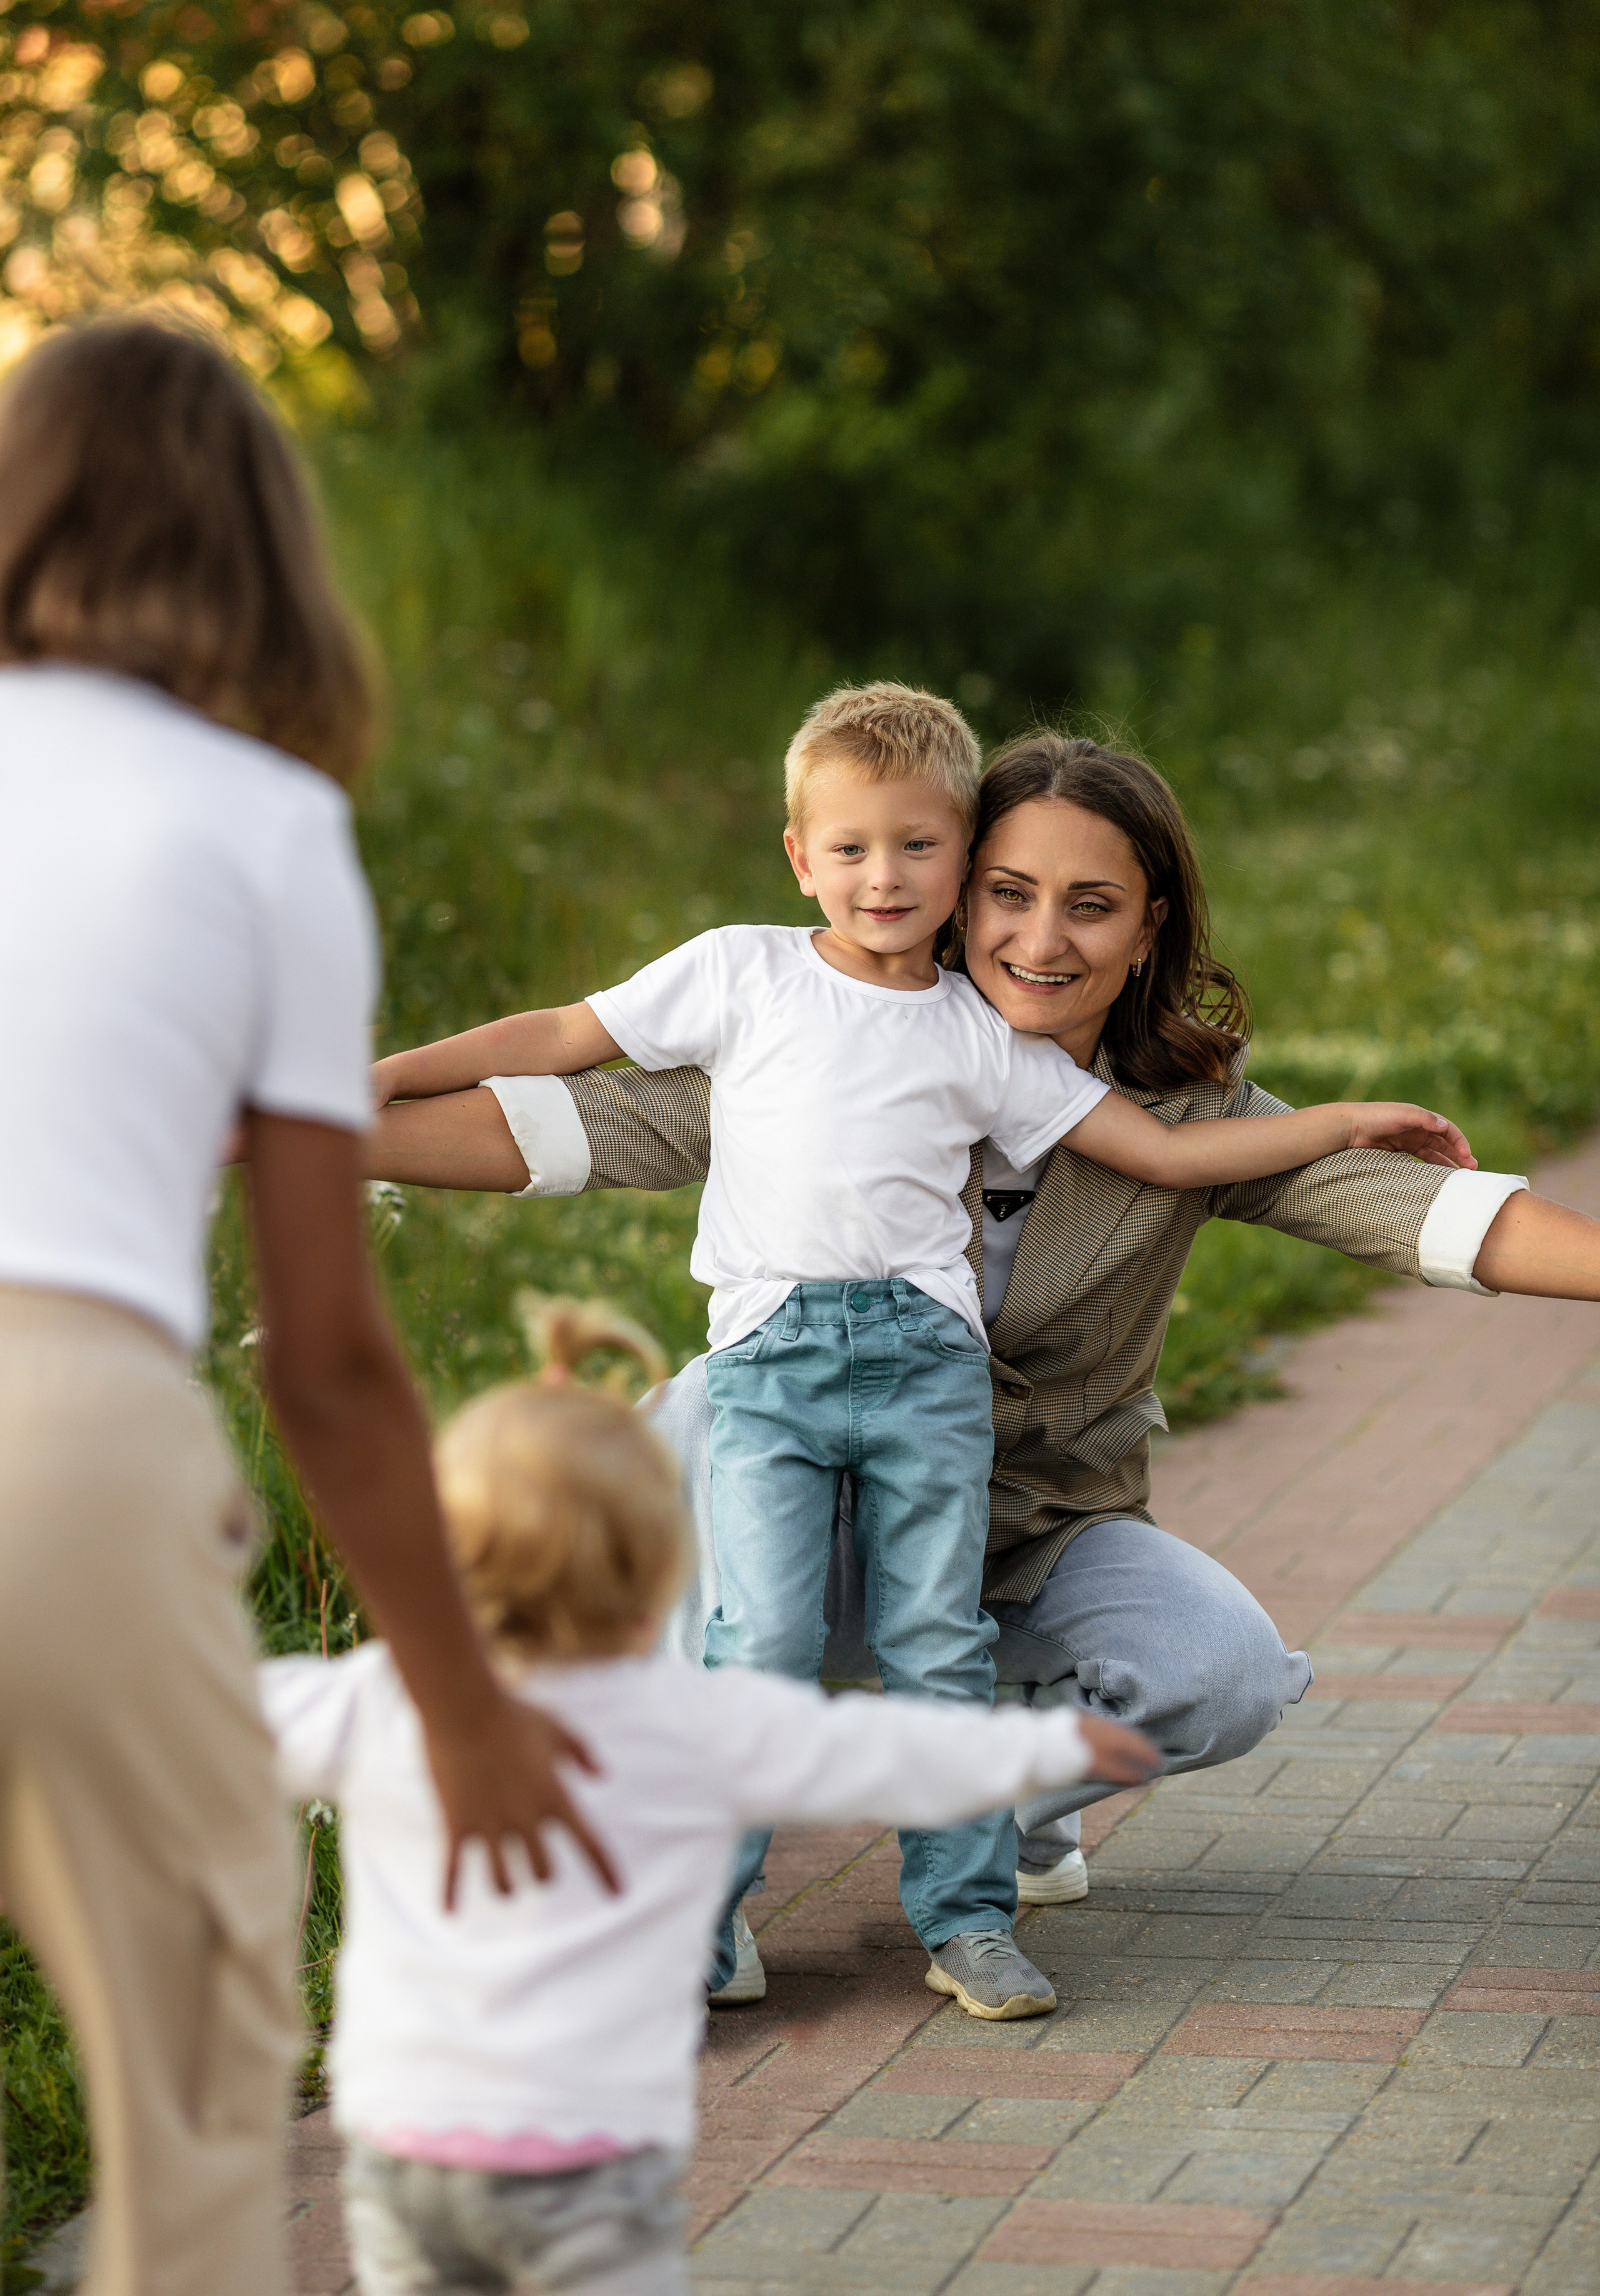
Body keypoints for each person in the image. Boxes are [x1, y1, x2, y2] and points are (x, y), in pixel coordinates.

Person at [363, 722, 1600, 2003]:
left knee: (1222, 1676)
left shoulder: (1188, 1109)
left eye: (1090, 906)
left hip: (1028, 1527)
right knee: (677, 1440)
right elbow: (563, 1122)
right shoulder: (822, 1044)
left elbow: (1421, 1212)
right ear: (956, 892)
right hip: (793, 1489)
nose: (1040, 939)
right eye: (1008, 893)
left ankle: (998, 1791)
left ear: (1146, 928)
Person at [0, 319, 609, 2296]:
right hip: (61, 1425)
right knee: (194, 2066)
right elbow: (331, 1363)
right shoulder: (261, 825)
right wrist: (462, 1702)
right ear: (263, 542)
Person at [259, 1299, 1160, 2296]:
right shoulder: (691, 1719)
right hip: (596, 2146)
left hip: (407, 2131)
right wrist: (1044, 1743)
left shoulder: (385, 1697)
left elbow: (214, 1725)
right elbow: (876, 1750)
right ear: (662, 1576)